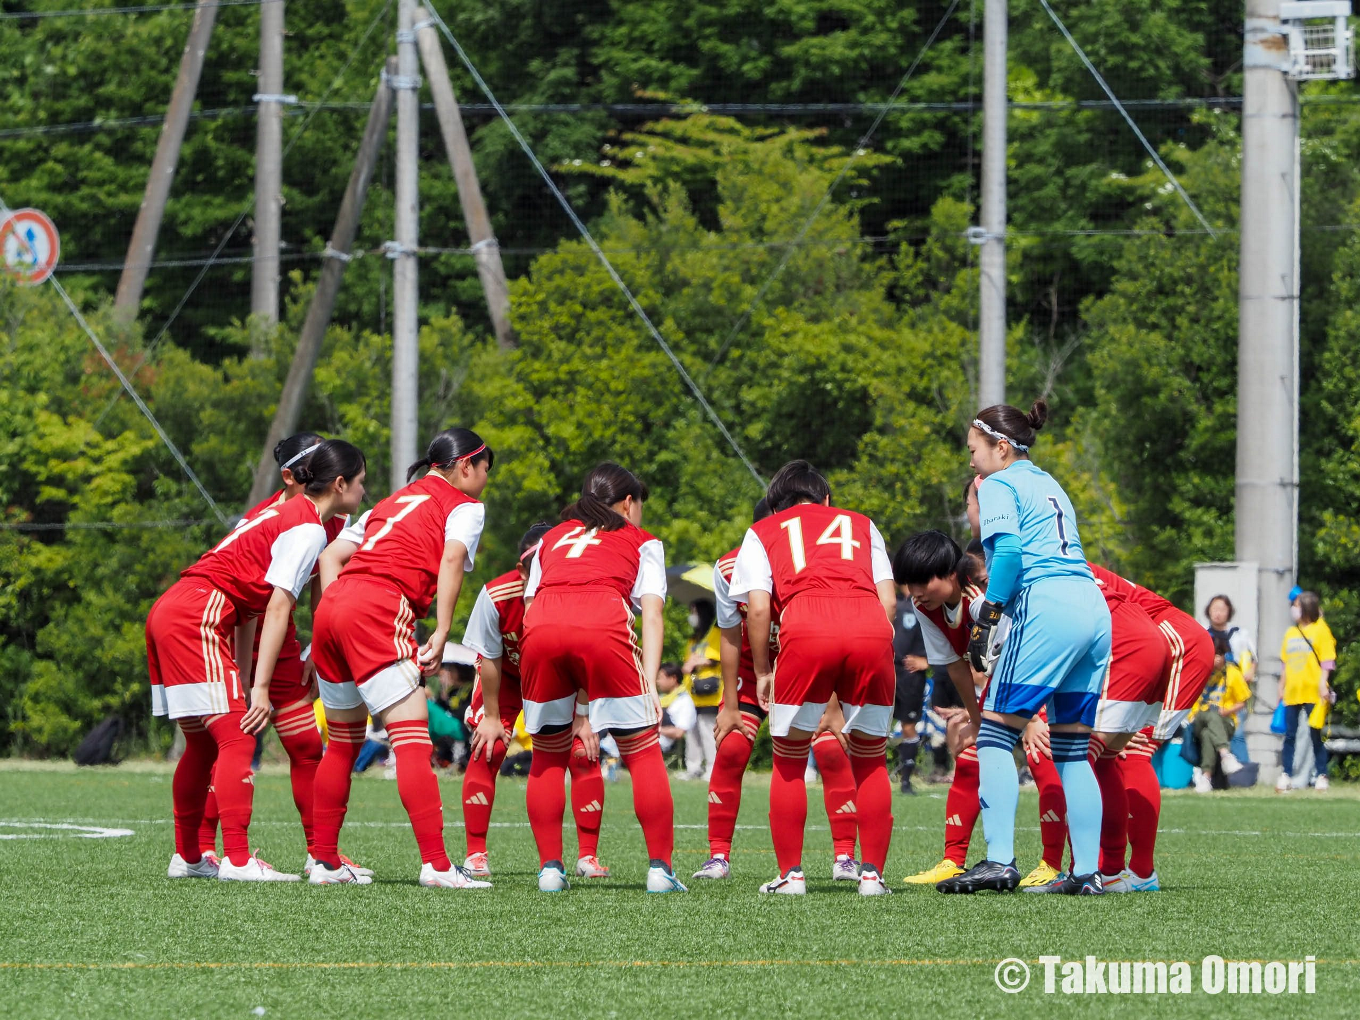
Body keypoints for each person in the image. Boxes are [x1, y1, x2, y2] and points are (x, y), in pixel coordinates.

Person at [146, 439, 367, 882]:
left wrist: (248, 680)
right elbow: (279, 605)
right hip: (200, 615)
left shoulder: (293, 516)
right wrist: (260, 690)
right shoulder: (305, 526)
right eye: (361, 482)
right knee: (239, 740)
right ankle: (240, 860)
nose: (364, 490)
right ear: (339, 483)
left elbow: (251, 605)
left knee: (206, 743)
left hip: (177, 610)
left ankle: (190, 857)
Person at [937, 401, 1111, 896]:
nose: (971, 461)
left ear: (1001, 446)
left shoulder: (998, 484)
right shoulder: (1050, 482)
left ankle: (997, 861)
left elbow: (1009, 552)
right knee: (1073, 749)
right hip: (1092, 606)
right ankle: (1085, 874)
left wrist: (989, 611)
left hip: (1048, 603)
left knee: (993, 733)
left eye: (974, 450)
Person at [308, 427, 493, 889]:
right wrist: (445, 629)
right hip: (378, 605)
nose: (487, 479)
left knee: (344, 741)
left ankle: (324, 862)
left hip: (333, 607)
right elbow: (451, 562)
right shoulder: (465, 506)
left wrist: (339, 611)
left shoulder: (390, 502)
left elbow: (331, 555)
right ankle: (436, 864)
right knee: (412, 737)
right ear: (466, 466)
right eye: (487, 469)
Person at [727, 460, 897, 897]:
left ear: (775, 505)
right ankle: (872, 876)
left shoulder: (763, 531)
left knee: (788, 757)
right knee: (871, 757)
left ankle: (792, 875)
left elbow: (760, 609)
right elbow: (889, 600)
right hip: (870, 623)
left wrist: (764, 670)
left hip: (806, 624)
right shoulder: (862, 524)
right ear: (825, 499)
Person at [519, 463, 686, 894]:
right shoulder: (642, 540)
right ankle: (660, 871)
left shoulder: (551, 537)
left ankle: (550, 871)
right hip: (601, 620)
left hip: (539, 626)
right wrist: (648, 681)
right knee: (643, 748)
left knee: (547, 755)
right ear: (629, 503)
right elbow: (652, 612)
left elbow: (532, 600)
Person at [693, 499, 862, 884]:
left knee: (831, 750)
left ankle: (845, 857)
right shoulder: (730, 567)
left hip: (809, 672)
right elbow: (729, 635)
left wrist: (834, 703)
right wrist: (731, 704)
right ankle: (718, 856)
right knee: (733, 745)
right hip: (754, 675)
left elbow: (834, 638)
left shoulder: (817, 564)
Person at [459, 523, 610, 879]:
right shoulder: (497, 595)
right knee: (490, 746)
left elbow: (585, 659)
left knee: (582, 749)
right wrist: (493, 717)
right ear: (521, 568)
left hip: (561, 676)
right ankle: (475, 852)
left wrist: (583, 717)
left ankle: (587, 855)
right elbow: (490, 658)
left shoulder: (573, 592)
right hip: (506, 678)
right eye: (535, 568)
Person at [1024, 561, 1170, 894]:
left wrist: (1030, 717)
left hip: (1129, 642)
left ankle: (1085, 873)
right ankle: (1118, 872)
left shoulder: (1027, 565)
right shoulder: (1068, 561)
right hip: (1156, 638)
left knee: (1072, 756)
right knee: (1113, 759)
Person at [1277, 590, 1337, 792]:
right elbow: (1285, 662)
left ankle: (1321, 774)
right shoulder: (1290, 632)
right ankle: (1286, 774)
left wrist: (1323, 684)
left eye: (1297, 605)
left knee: (1315, 734)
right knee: (1290, 735)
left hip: (1313, 690)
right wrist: (1281, 686)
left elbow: (1328, 661)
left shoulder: (1320, 630)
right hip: (1293, 691)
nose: (1294, 609)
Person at [1189, 634, 1251, 792]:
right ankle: (1226, 755)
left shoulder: (1233, 673)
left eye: (1219, 654)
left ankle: (1206, 778)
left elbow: (1243, 700)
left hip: (1225, 721)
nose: (1216, 658)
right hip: (1199, 717)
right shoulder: (1200, 671)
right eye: (1213, 654)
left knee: (1208, 734)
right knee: (1210, 713)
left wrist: (1226, 710)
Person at [891, 585, 930, 795]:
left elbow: (946, 638)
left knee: (908, 725)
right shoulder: (890, 604)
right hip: (886, 669)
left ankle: (906, 781)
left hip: (911, 675)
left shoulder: (929, 607)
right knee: (873, 726)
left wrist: (928, 660)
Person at [681, 599, 722, 780]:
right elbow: (686, 661)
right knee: (692, 731)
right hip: (691, 692)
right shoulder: (693, 638)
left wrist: (697, 662)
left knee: (708, 732)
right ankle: (693, 767)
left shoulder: (716, 632)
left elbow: (718, 657)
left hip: (710, 692)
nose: (692, 617)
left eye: (694, 612)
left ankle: (712, 767)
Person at [1205, 594, 1256, 684]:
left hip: (1234, 686)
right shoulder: (1203, 634)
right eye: (1215, 609)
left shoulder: (1240, 634)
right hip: (1209, 686)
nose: (1218, 613)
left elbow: (1253, 657)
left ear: (1229, 612)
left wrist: (1251, 672)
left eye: (1222, 610)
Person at [657, 662, 698, 754]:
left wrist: (654, 730)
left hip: (661, 742)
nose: (657, 682)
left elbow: (679, 732)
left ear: (673, 679)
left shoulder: (684, 701)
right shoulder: (662, 698)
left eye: (660, 678)